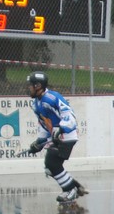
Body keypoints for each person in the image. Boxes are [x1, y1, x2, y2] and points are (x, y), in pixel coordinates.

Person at [25, 72, 88, 203]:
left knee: (52, 163)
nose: (28, 88)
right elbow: (44, 125)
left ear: (38, 86)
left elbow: (69, 114)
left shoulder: (52, 98)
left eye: (31, 85)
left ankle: (70, 190)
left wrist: (62, 128)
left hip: (67, 136)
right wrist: (39, 142)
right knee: (50, 167)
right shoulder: (36, 104)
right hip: (56, 137)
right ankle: (74, 187)